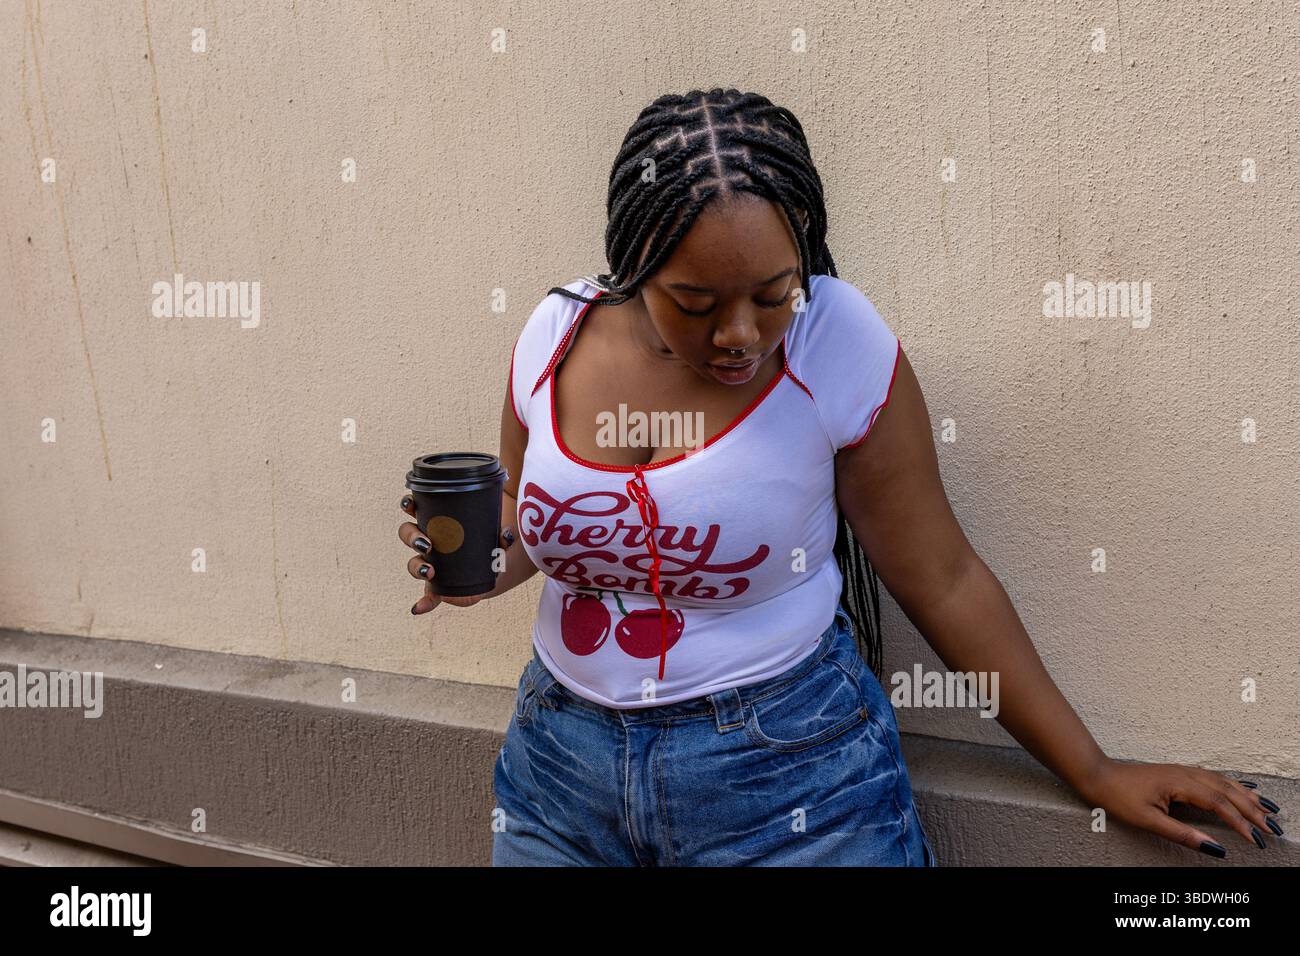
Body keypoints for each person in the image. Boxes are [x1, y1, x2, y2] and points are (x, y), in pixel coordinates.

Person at [398, 88, 1282, 866]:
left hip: (789, 780)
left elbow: (944, 578)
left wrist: (1091, 769)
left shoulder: (837, 344)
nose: (741, 333)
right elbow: (537, 530)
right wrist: (471, 563)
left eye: (774, 294)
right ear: (634, 272)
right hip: (560, 773)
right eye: (696, 304)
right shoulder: (553, 339)